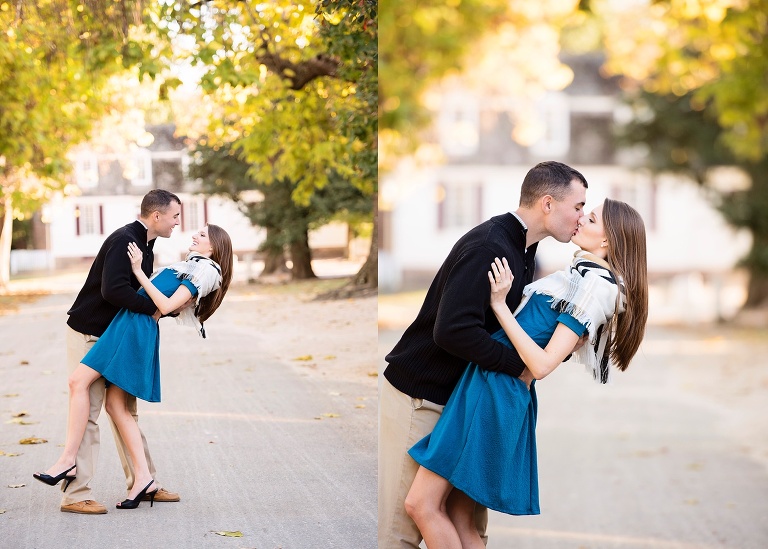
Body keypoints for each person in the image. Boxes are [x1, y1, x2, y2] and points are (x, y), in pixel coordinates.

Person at [404, 199, 649, 548]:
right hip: (486, 385)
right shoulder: (584, 275)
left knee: (421, 504)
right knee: (458, 515)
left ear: (608, 241)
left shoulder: (597, 287)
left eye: (590, 217)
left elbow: (543, 364)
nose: (580, 218)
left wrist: (499, 306)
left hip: (495, 393)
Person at [379, 161, 589, 548]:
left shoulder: (524, 250)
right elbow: (453, 330)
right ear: (547, 203)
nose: (581, 217)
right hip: (423, 397)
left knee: (469, 522)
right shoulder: (491, 246)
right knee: (402, 529)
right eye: (577, 206)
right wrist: (518, 368)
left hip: (466, 401)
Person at [34, 223, 233, 509]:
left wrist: (139, 271)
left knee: (79, 383)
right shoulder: (194, 264)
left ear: (213, 246)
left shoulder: (206, 271)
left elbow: (165, 306)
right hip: (128, 326)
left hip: (133, 330)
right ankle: (143, 479)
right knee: (116, 406)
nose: (192, 233)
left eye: (201, 235)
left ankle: (67, 462)